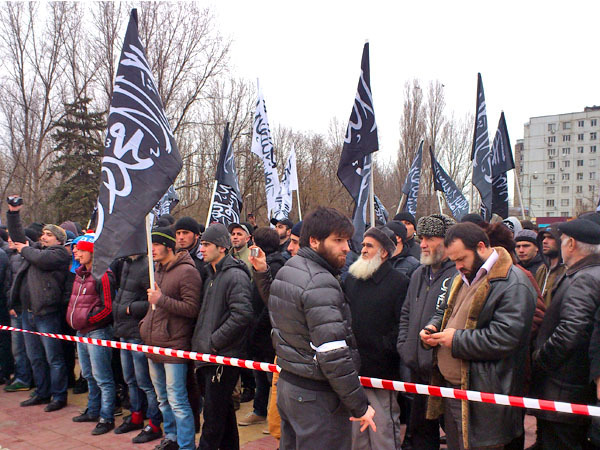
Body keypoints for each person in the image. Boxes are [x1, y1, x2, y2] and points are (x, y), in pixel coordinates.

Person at [420, 222, 535, 449]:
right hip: (454, 390)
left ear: (481, 247)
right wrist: (433, 327)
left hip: (484, 396)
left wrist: (456, 339)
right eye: (453, 260)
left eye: (461, 259)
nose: (457, 266)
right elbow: (444, 310)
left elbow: (505, 338)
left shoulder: (513, 282)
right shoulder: (462, 276)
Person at [269, 206, 375, 449]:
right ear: (314, 241)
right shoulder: (319, 281)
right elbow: (332, 353)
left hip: (290, 386)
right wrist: (360, 406)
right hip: (315, 397)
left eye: (347, 240)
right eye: (338, 240)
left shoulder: (289, 269)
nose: (346, 248)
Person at [532, 219, 600, 448]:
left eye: (561, 241)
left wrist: (541, 358)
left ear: (571, 243)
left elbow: (572, 330)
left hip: (564, 388)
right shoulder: (587, 273)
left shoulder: (584, 279)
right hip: (570, 389)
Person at [344, 226, 409, 449]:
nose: (363, 249)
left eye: (369, 246)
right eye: (363, 244)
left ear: (384, 252)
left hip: (381, 371)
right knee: (356, 434)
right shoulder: (352, 279)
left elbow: (402, 324)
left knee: (382, 432)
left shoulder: (399, 282)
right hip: (352, 371)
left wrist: (384, 346)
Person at [397, 214, 457, 450]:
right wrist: (405, 347)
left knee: (455, 433)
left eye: (430, 238)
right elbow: (406, 313)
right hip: (418, 368)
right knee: (421, 434)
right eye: (421, 238)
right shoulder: (418, 274)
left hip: (445, 370)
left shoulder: (458, 275)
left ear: (448, 241)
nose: (422, 244)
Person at [139, 227, 202, 450]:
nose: (152, 250)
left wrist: (161, 299)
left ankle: (186, 445)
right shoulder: (156, 269)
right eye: (151, 245)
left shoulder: (187, 272)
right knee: (163, 398)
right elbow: (154, 307)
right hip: (153, 343)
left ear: (168, 246)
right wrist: (144, 324)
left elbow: (192, 308)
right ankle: (172, 437)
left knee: (177, 400)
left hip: (174, 345)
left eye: (156, 244)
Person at [192, 223, 253, 450]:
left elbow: (242, 314)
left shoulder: (235, 275)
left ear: (221, 247)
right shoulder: (211, 274)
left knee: (213, 419)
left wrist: (214, 342)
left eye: (207, 244)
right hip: (208, 356)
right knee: (224, 414)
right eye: (202, 244)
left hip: (222, 357)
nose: (202, 249)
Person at [6, 201, 71, 412]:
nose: (44, 237)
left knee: (54, 358)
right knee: (35, 357)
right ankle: (42, 393)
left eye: (49, 235)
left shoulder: (59, 254)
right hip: (28, 313)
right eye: (43, 234)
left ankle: (59, 396)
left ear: (59, 240)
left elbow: (40, 258)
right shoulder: (34, 250)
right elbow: (18, 237)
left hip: (47, 314)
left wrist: (24, 248)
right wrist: (13, 213)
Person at [66, 234, 118, 435]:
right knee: (88, 374)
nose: (76, 253)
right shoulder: (79, 274)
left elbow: (108, 308)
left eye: (81, 249)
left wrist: (88, 320)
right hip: (81, 332)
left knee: (103, 377)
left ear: (92, 252)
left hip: (97, 332)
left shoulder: (103, 275)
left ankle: (107, 417)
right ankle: (93, 410)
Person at [112, 252, 163, 444]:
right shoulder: (126, 263)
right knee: (130, 379)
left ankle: (154, 423)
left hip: (137, 331)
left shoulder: (147, 265)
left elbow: (154, 301)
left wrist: (131, 308)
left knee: (145, 382)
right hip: (123, 330)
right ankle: (136, 415)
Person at [240, 227, 286, 427]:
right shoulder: (259, 264)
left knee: (271, 378)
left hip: (267, 332)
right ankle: (260, 411)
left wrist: (258, 327)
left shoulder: (275, 267)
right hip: (257, 330)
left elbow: (272, 303)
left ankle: (276, 417)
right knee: (260, 376)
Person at [4, 236, 33, 392]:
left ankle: (26, 378)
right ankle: (21, 376)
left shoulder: (29, 257)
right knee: (18, 348)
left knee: (27, 348)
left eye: (12, 238)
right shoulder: (12, 257)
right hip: (15, 308)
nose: (9, 240)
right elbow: (9, 283)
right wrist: (11, 304)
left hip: (26, 309)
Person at [535, 225, 566, 307]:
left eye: (551, 238)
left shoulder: (568, 271)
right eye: (544, 238)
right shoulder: (541, 269)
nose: (544, 241)